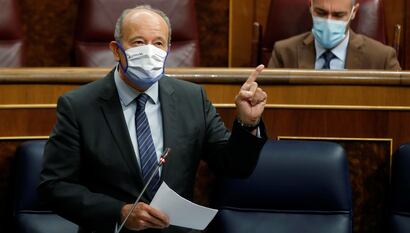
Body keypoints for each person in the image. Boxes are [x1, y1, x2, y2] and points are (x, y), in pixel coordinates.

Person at [38, 5, 268, 233]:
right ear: (116, 50)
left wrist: (247, 123)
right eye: (138, 42)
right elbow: (54, 186)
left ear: (168, 50)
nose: (149, 51)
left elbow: (234, 166)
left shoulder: (192, 98)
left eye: (158, 43)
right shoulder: (79, 106)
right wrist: (119, 212)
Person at [267, 0, 401, 70]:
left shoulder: (382, 58)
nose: (329, 21)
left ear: (354, 12)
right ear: (310, 6)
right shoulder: (284, 53)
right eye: (321, 12)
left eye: (338, 15)